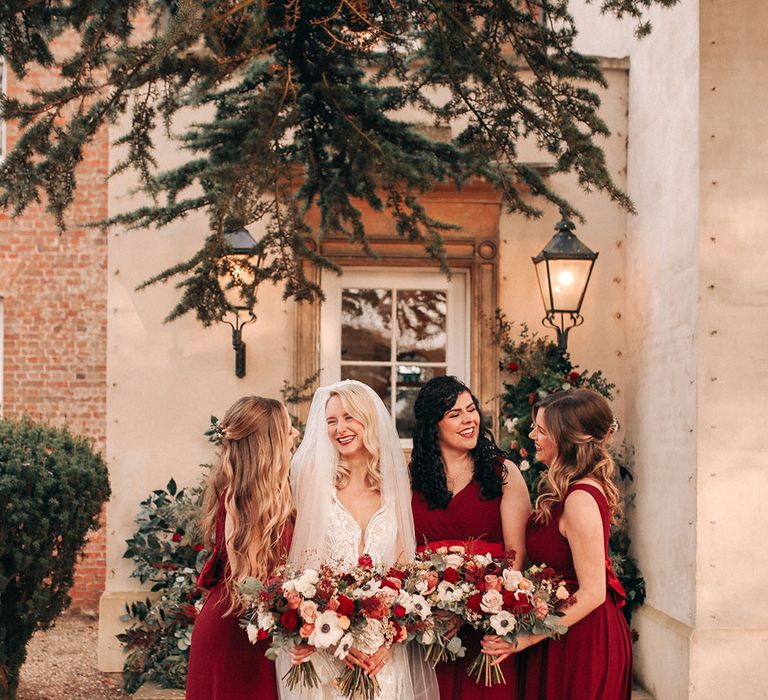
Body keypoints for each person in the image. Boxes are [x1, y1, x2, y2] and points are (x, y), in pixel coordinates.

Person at [281, 379, 438, 700]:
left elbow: (402, 569)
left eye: (349, 417)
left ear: (369, 419)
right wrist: (333, 638)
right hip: (328, 646)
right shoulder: (314, 477)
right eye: (331, 421)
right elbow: (304, 566)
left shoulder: (395, 481)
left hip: (380, 653)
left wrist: (390, 637)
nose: (340, 428)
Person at [481, 388, 632, 700]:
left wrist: (524, 638)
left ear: (566, 438)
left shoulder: (579, 499)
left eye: (542, 430)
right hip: (560, 630)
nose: (532, 434)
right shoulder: (568, 490)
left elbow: (592, 592)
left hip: (583, 639)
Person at [410, 375, 531, 699]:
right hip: (430, 627)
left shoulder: (503, 473)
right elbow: (400, 554)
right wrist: (429, 607)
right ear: (432, 425)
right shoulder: (410, 480)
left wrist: (478, 608)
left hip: (489, 625)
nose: (469, 419)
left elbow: (517, 555)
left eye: (471, 409)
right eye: (455, 414)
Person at [186, 396, 299, 700]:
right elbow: (250, 587)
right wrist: (300, 615)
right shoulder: (241, 499)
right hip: (238, 631)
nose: (296, 436)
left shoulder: (275, 491)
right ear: (269, 441)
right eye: (289, 430)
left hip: (255, 628)